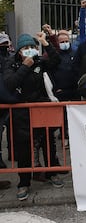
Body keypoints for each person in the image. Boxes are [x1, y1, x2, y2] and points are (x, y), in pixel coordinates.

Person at [3, 32, 64, 201]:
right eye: (25, 48)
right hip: (22, 112)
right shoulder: (12, 64)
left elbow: (56, 60)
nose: (29, 50)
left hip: (42, 108)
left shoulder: (40, 62)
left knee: (48, 142)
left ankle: (52, 174)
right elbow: (10, 84)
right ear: (19, 51)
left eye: (32, 47)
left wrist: (46, 44)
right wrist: (25, 67)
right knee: (24, 147)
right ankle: (24, 182)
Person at [0, 32, 12, 168]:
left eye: (5, 43)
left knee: (11, 127)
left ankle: (12, 152)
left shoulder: (10, 58)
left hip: (10, 98)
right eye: (2, 44)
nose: (4, 46)